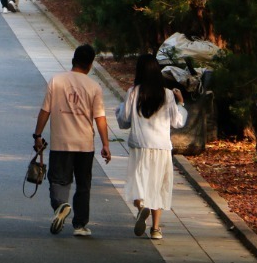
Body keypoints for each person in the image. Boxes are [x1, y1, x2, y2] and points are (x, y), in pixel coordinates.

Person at [32, 44, 112, 237]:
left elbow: (45, 110)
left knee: (58, 180)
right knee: (83, 184)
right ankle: (80, 225)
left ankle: (60, 205)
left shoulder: (56, 81)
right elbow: (100, 118)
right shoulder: (94, 87)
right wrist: (105, 144)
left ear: (73, 60)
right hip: (85, 144)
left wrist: (38, 135)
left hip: (61, 142)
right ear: (90, 65)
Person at [116, 53, 188, 240]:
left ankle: (141, 207)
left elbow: (124, 120)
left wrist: (120, 108)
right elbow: (177, 122)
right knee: (158, 186)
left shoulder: (133, 92)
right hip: (161, 147)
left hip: (140, 145)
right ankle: (156, 229)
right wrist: (181, 103)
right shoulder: (168, 94)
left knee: (138, 182)